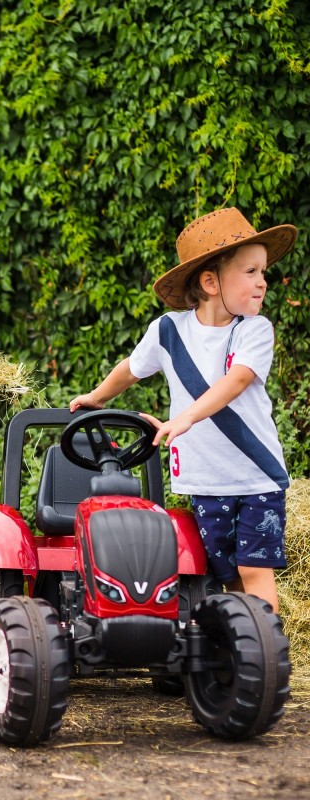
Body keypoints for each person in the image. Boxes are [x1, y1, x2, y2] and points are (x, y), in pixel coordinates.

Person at [70, 207, 297, 612]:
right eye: (251, 272)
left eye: (263, 272)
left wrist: (185, 417)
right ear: (210, 282)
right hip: (204, 481)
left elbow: (236, 381)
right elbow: (131, 368)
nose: (263, 282)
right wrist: (98, 397)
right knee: (226, 575)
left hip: (256, 477)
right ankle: (238, 640)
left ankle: (266, 646)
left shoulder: (254, 330)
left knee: (253, 570)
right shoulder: (168, 331)